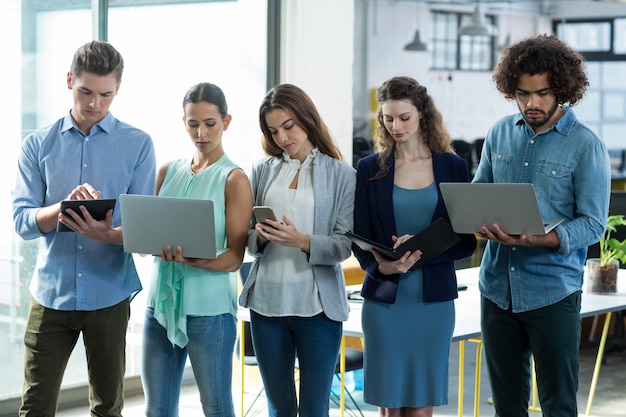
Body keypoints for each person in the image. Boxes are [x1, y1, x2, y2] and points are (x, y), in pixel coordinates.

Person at [12, 40, 157, 417]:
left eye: (106, 95)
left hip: (110, 295)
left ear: (118, 89)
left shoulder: (138, 145)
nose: (95, 104)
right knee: (36, 406)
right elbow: (22, 222)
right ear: (68, 81)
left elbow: (144, 230)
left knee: (108, 408)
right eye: (86, 92)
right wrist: (61, 209)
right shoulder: (36, 145)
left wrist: (106, 234)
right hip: (50, 295)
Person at [473, 34, 611, 417]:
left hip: (552, 292)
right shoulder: (500, 132)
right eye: (522, 94)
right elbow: (479, 191)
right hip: (497, 289)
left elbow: (593, 225)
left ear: (563, 90)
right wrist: (474, 218)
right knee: (506, 406)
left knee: (558, 406)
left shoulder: (586, 146)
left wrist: (543, 239)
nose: (532, 103)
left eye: (543, 94)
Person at [352, 75, 477, 417]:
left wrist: (421, 249)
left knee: (421, 407)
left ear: (422, 113)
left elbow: (465, 242)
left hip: (432, 302)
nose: (396, 126)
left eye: (403, 117)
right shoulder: (368, 169)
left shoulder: (453, 167)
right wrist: (381, 266)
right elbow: (359, 239)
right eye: (388, 118)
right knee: (390, 407)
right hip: (386, 300)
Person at [238, 83, 356, 417]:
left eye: (288, 126)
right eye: (274, 131)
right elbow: (247, 238)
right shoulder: (262, 171)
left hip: (317, 308)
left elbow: (343, 245)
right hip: (266, 305)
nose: (283, 137)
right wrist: (261, 237)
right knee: (280, 410)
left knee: (314, 410)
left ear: (307, 118)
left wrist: (302, 241)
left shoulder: (342, 175)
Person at [141, 82, 253, 417]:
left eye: (209, 123)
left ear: (226, 122)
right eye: (193, 124)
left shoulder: (234, 180)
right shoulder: (167, 171)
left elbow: (235, 259)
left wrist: (193, 258)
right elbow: (147, 238)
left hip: (209, 313)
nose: (201, 132)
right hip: (160, 305)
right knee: (156, 409)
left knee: (216, 408)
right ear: (184, 122)